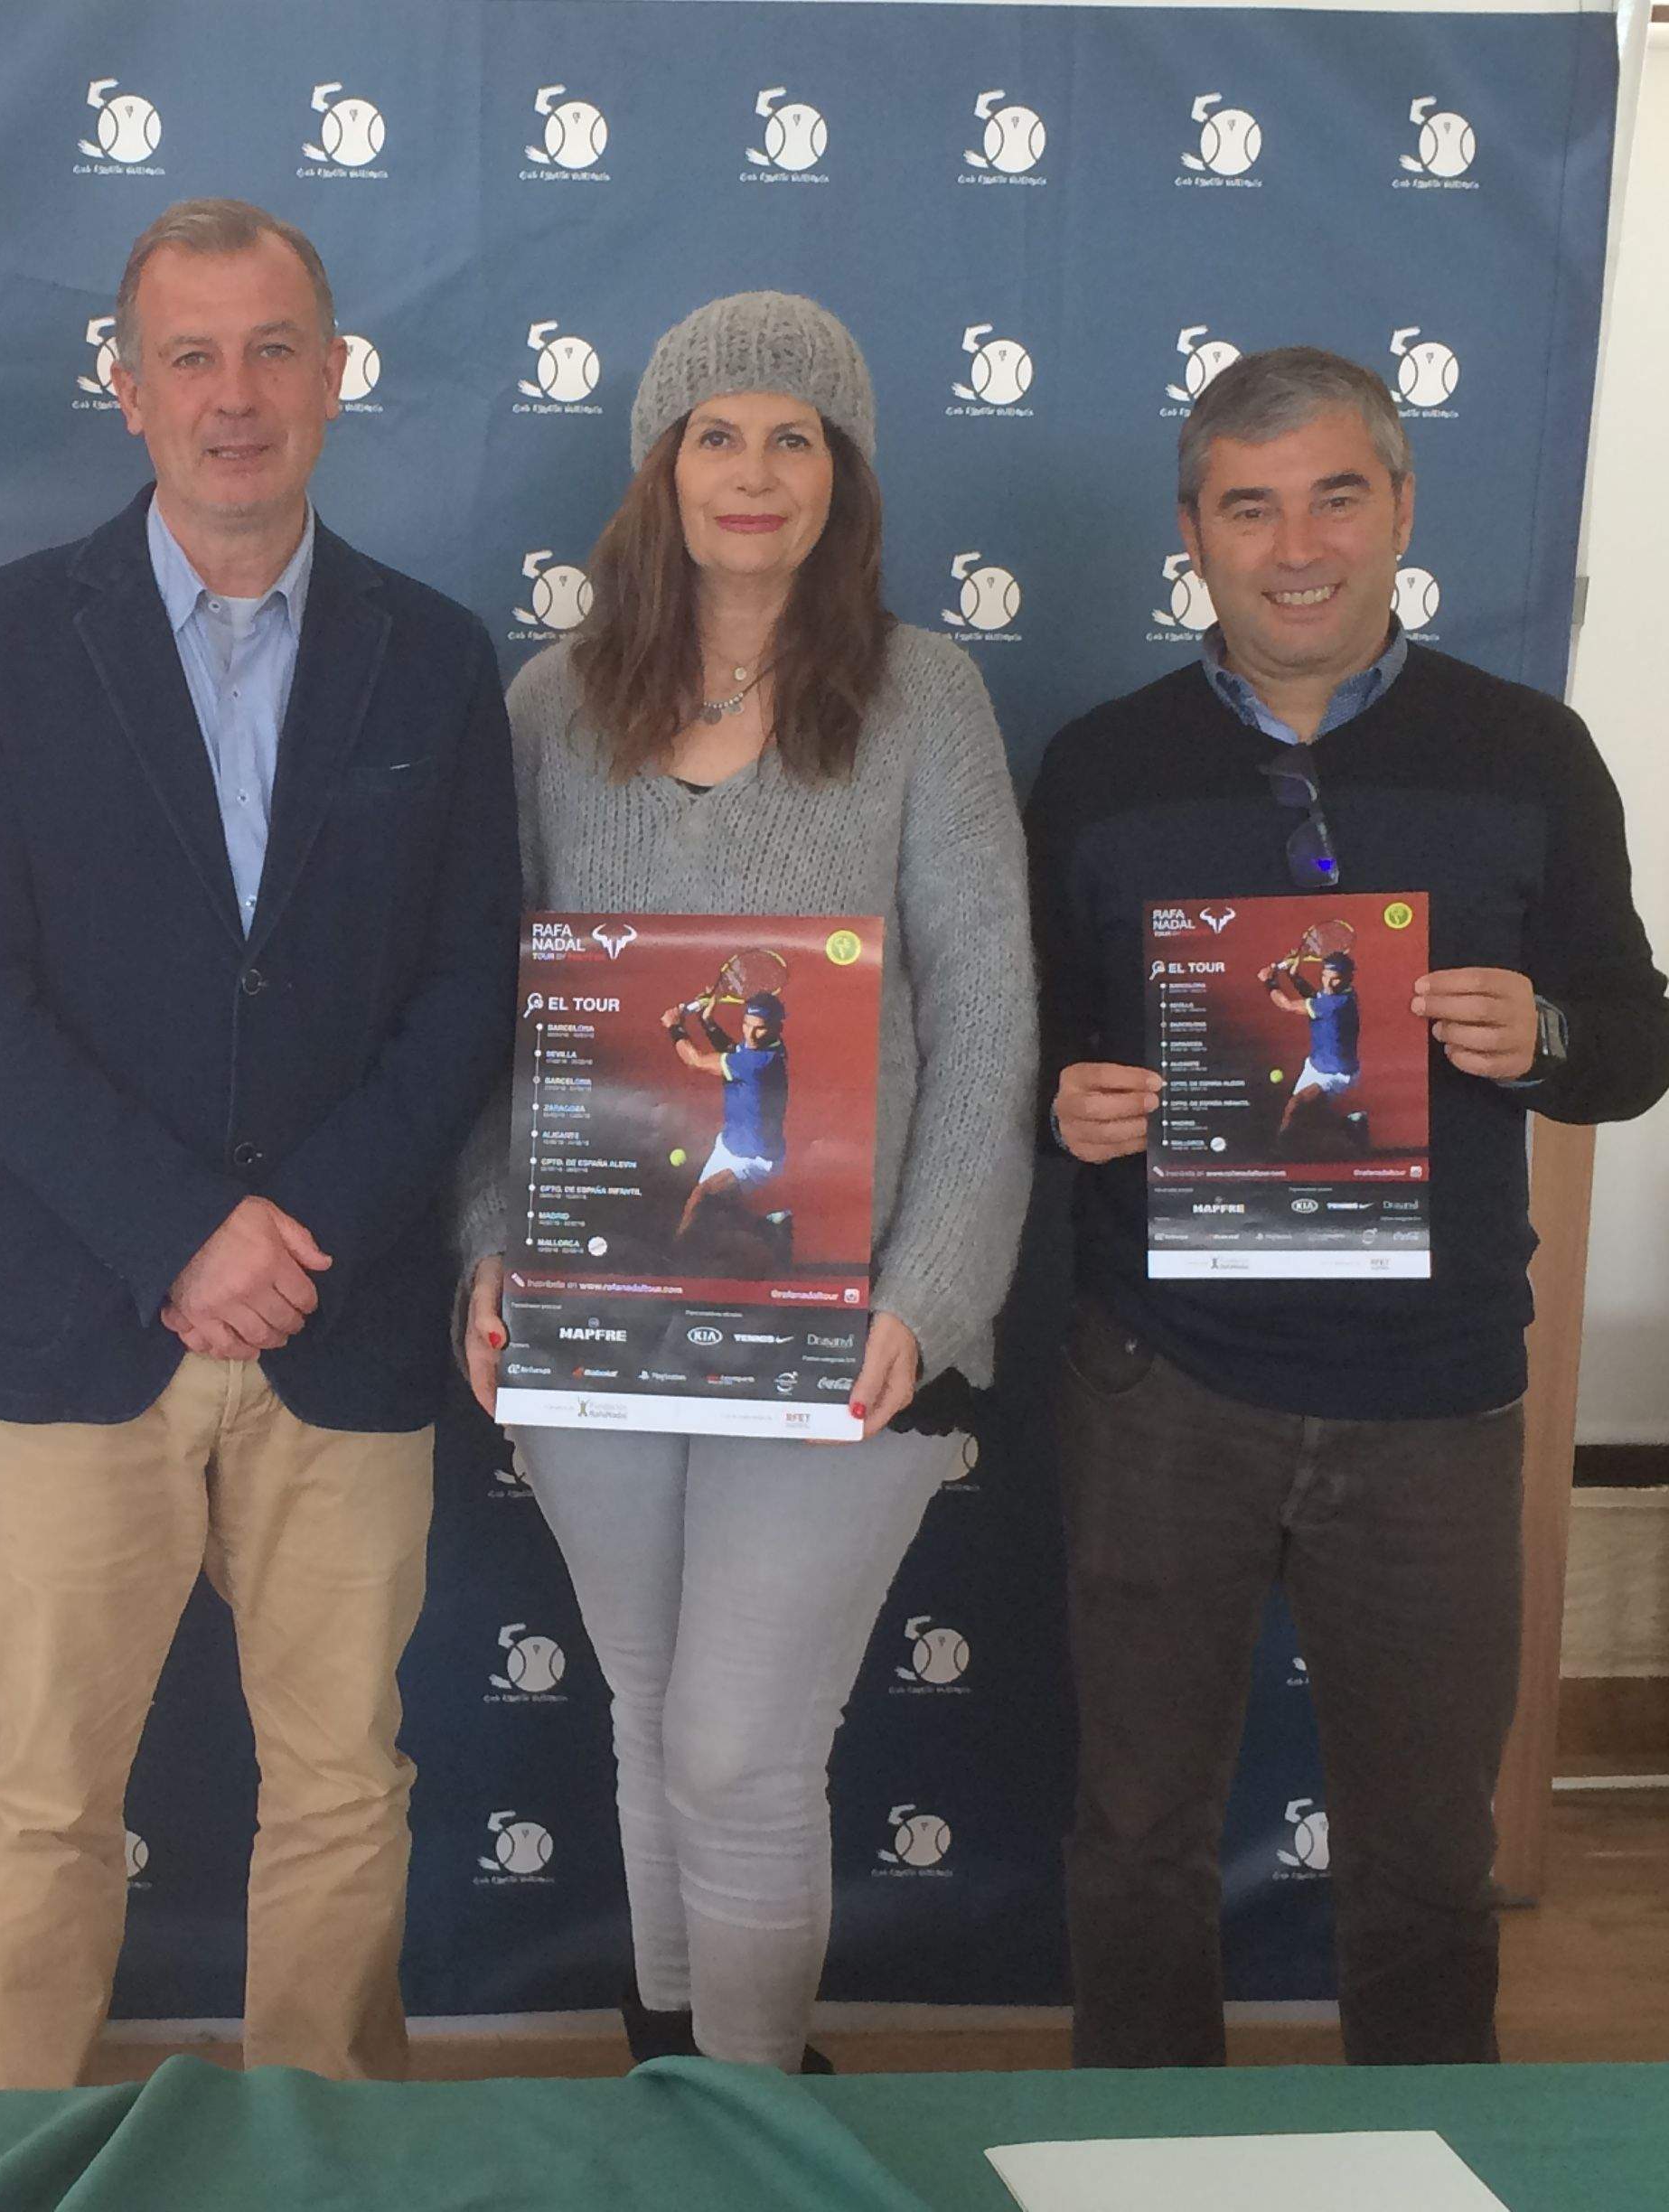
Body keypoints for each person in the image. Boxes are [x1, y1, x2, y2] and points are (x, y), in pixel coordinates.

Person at [0, 199, 520, 2087]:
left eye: (274, 352)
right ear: (127, 386)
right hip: (78, 1316)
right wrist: (181, 1233)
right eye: (191, 354)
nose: (234, 396)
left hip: (345, 1319)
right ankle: (10, 2155)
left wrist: (294, 1227)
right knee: (49, 1803)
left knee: (342, 1793)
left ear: (335, 378)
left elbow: (468, 996)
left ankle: (317, 2161)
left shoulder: (434, 657)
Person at [1030, 345, 1669, 2067]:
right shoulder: (1097, 768)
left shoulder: (1526, 751)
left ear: (1396, 506)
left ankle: (1430, 2155)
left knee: (1419, 1857)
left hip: (1433, 1393)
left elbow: (1632, 1040)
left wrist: (1534, 1032)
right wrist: (1061, 1101)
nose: (1291, 542)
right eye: (1247, 505)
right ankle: (1139, 2169)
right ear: (1192, 532)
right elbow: (1027, 1049)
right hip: (1162, 1381)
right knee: (1138, 1833)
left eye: (1331, 494)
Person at [456, 292, 1036, 2072]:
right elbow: (496, 1014)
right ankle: (672, 2072)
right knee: (647, 1718)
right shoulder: (550, 703)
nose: (757, 470)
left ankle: (759, 2110)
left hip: (838, 1326)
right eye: (720, 432)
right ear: (662, 463)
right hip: (605, 1315)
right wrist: (491, 1248)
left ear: (845, 475)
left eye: (799, 435)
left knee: (740, 1747)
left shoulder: (926, 692)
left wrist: (929, 1298)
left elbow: (993, 1014)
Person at [665, 989, 792, 1260]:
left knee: (700, 1198)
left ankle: (671, 1260)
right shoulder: (768, 1045)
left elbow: (696, 1061)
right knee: (715, 1209)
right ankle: (769, 1229)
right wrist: (708, 1022)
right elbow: (733, 1051)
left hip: (755, 1159)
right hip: (731, 1143)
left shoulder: (759, 1063)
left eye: (759, 1029)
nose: (750, 1034)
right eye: (746, 1025)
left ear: (775, 1028)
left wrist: (675, 1026)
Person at [1263, 947, 1364, 1154]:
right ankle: (1351, 1125)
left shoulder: (1336, 1004)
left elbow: (1288, 1005)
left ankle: (1278, 1155)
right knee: (1308, 1114)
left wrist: (1269, 982)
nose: (1327, 984)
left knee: (1294, 1106)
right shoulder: (1341, 993)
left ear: (1347, 978)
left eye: (1333, 979)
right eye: (1324, 976)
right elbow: (1315, 996)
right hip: (1317, 1064)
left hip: (1336, 1073)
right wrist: (1294, 975)